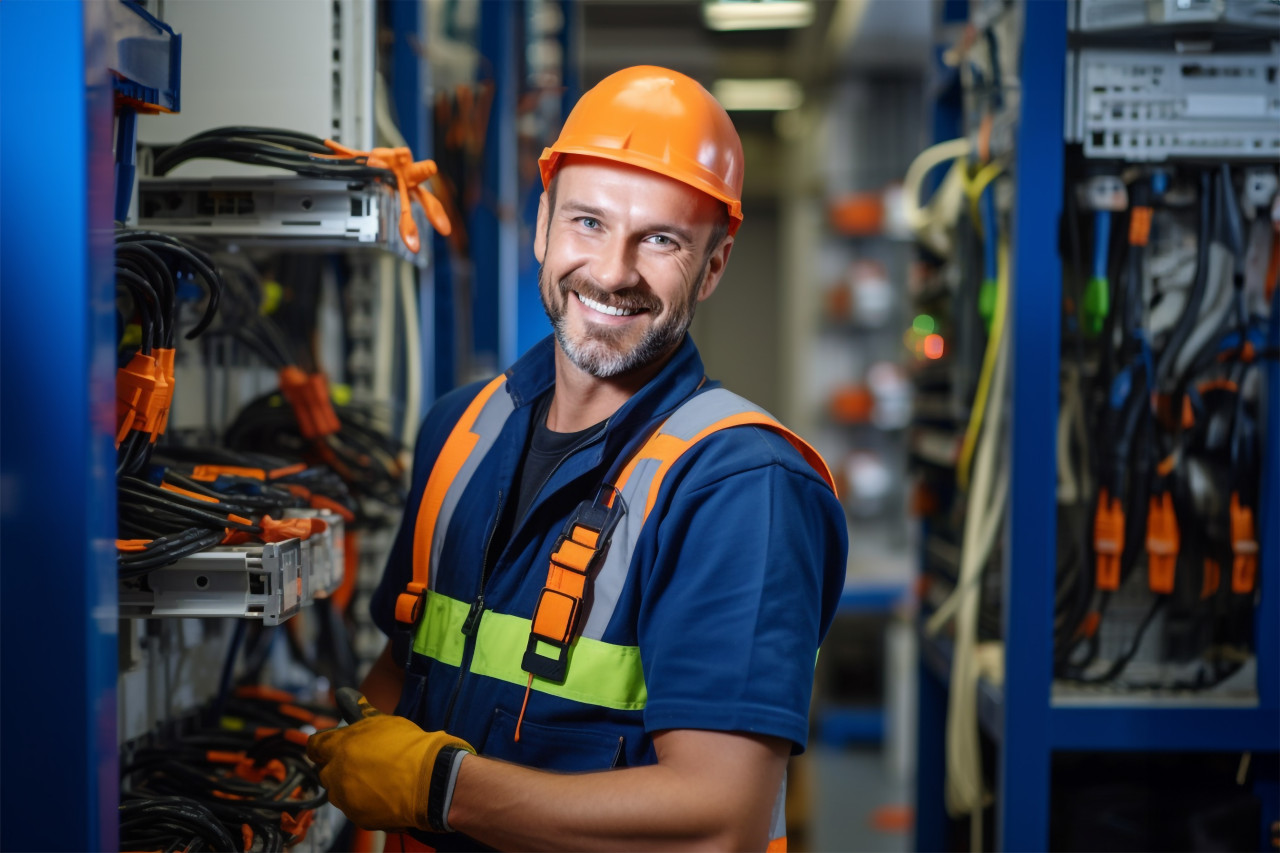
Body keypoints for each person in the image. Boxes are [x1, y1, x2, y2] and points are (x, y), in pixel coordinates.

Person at [307, 65, 848, 851]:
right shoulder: (461, 430)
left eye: (660, 239)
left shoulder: (741, 487)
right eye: (588, 222)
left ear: (714, 265)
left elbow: (715, 822)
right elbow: (405, 666)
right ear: (542, 225)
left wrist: (441, 788)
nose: (612, 270)